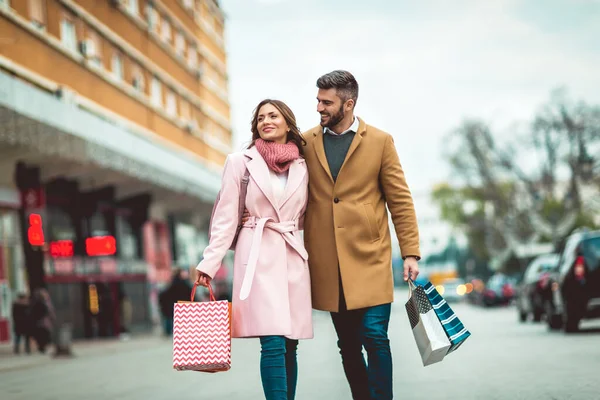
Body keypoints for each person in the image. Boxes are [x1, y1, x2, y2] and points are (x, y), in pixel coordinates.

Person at [302, 70, 421, 400]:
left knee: (374, 336)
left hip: (370, 257)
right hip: (329, 261)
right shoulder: (306, 142)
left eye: (326, 102)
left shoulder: (380, 142)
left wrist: (410, 252)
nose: (319, 108)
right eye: (317, 100)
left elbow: (399, 199)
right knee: (348, 345)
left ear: (348, 103)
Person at [195, 99, 312, 400]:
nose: (266, 121)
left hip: (291, 256)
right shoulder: (239, 162)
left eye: (273, 115)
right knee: (272, 340)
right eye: (260, 117)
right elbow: (225, 217)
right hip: (257, 257)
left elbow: (306, 216)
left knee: (289, 343)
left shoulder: (303, 165)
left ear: (288, 123)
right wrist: (209, 263)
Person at [159, 269, 193, 336]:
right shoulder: (185, 284)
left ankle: (172, 333)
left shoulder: (172, 285)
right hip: (185, 306)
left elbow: (164, 295)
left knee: (173, 320)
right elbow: (192, 294)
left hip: (175, 306)